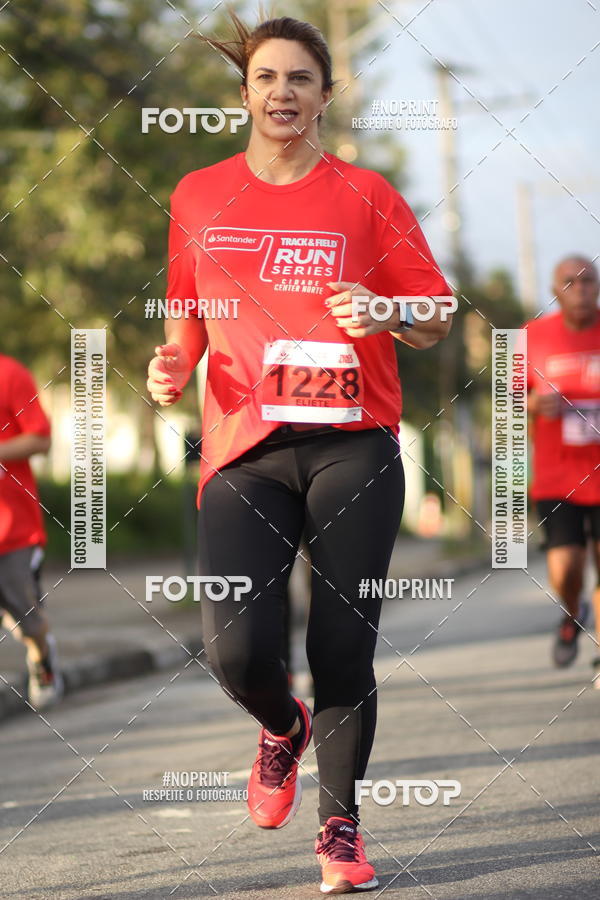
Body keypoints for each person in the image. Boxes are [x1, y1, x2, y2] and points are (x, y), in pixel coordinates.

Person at [147, 13, 453, 893]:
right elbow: (185, 317)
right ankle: (281, 729)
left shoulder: (369, 195)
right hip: (243, 450)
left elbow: (436, 312)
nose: (283, 92)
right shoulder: (199, 195)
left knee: (342, 646)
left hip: (352, 446)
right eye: (267, 77)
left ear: (327, 94)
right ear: (244, 93)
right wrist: (173, 362)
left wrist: (387, 311)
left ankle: (341, 830)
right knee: (237, 650)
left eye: (301, 80)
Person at [525, 255, 600, 680]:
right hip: (558, 478)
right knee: (566, 566)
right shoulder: (531, 337)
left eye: (589, 280)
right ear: (555, 291)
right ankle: (573, 613)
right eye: (570, 282)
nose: (581, 288)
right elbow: (504, 401)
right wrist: (532, 403)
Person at [0, 354, 63, 709]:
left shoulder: (10, 373)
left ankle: (42, 660)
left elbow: (40, 438)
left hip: (13, 529)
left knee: (25, 618)